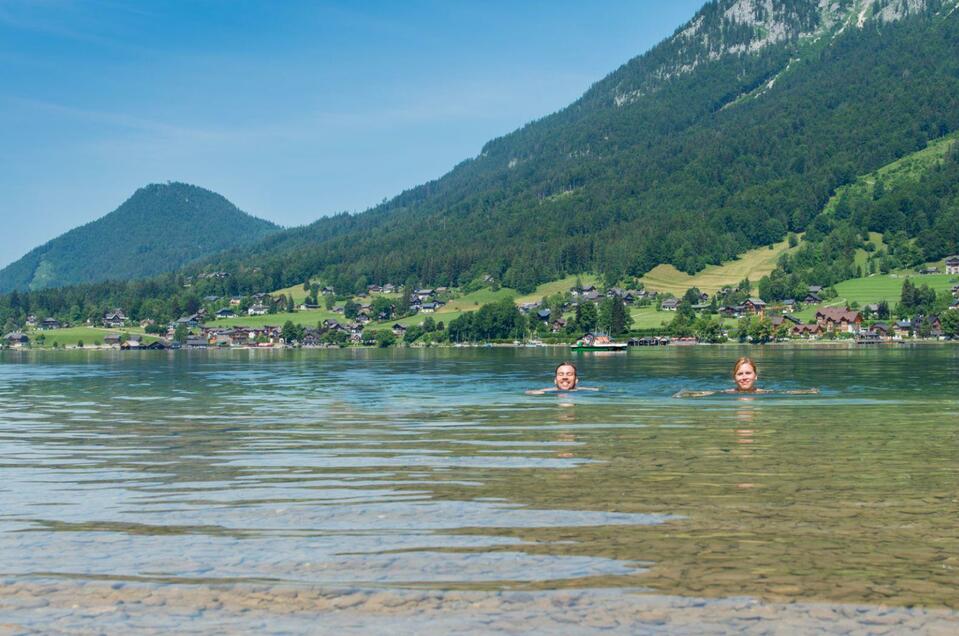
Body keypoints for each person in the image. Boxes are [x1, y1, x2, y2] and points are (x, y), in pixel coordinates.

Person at [673, 357, 818, 398]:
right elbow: (705, 393)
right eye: (740, 374)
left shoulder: (764, 393)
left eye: (748, 373)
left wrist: (809, 391)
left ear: (756, 376)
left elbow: (787, 393)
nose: (744, 377)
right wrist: (684, 393)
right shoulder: (727, 393)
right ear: (734, 378)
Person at [526, 362, 599, 395]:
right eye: (561, 374)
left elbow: (597, 390)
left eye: (569, 374)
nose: (564, 377)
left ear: (576, 380)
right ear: (555, 381)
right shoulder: (547, 392)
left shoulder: (586, 392)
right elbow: (528, 392)